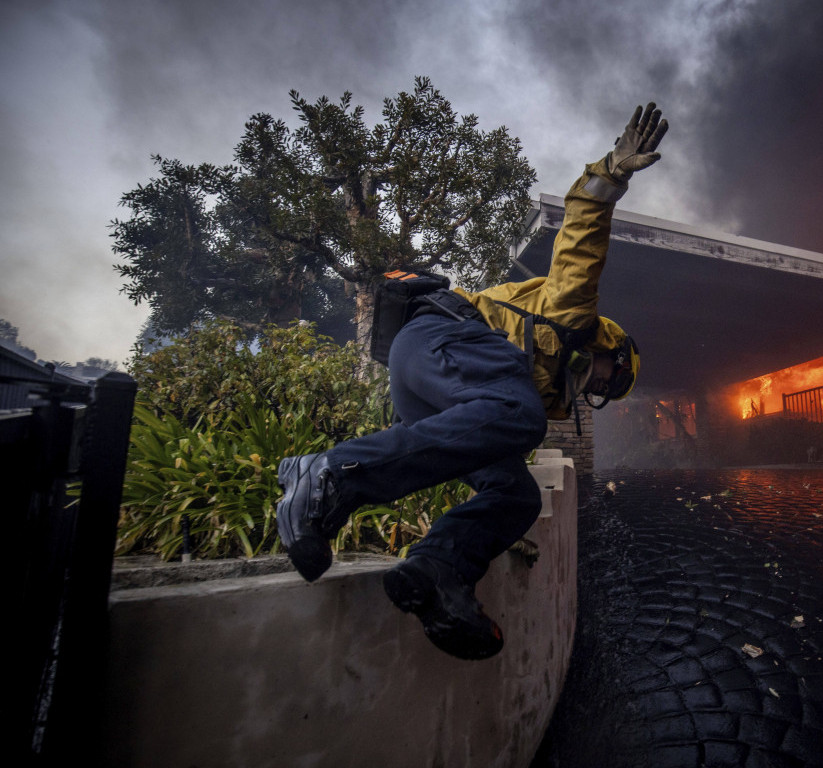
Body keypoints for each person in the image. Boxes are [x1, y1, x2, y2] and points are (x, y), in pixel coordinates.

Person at [274, 103, 668, 660]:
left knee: (516, 494)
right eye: (610, 380)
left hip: (430, 384)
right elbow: (583, 231)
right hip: (437, 336)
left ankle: (438, 569)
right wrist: (613, 170)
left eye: (605, 395)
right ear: (610, 350)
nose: (597, 390)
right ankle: (327, 475)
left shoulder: (536, 387)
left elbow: (479, 430)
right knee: (523, 415)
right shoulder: (573, 317)